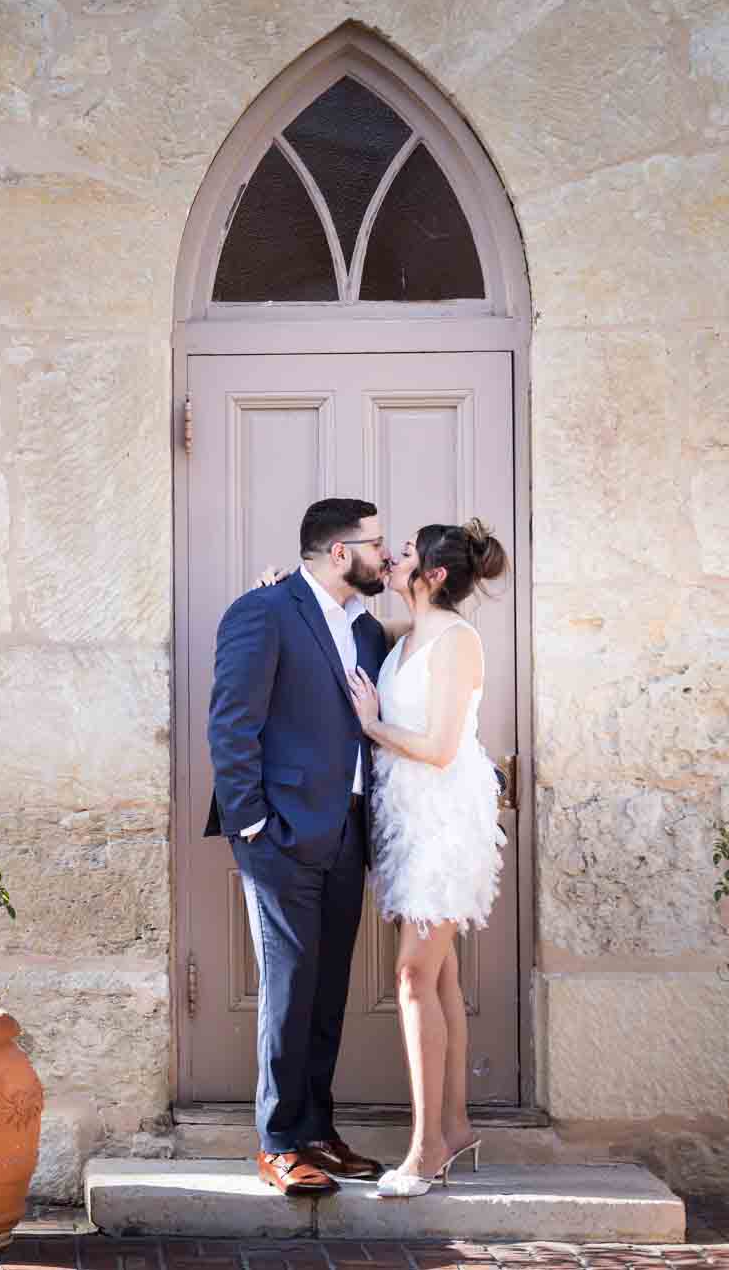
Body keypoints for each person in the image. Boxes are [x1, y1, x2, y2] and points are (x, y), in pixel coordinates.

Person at [204, 498, 394, 1196]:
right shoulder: (264, 611)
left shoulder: (366, 631)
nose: (387, 553)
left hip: (347, 831)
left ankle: (317, 1129)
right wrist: (251, 822)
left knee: (327, 988)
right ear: (342, 552)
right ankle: (279, 1141)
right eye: (378, 543)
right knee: (289, 986)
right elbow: (231, 721)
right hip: (279, 833)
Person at [345, 518, 509, 1198]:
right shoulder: (405, 635)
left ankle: (427, 1148)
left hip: (445, 824)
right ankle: (458, 1125)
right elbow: (341, 618)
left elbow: (441, 747)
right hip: (406, 821)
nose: (392, 558)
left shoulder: (458, 641)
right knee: (437, 978)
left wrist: (372, 723)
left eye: (405, 553)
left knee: (414, 975)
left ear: (433, 574)